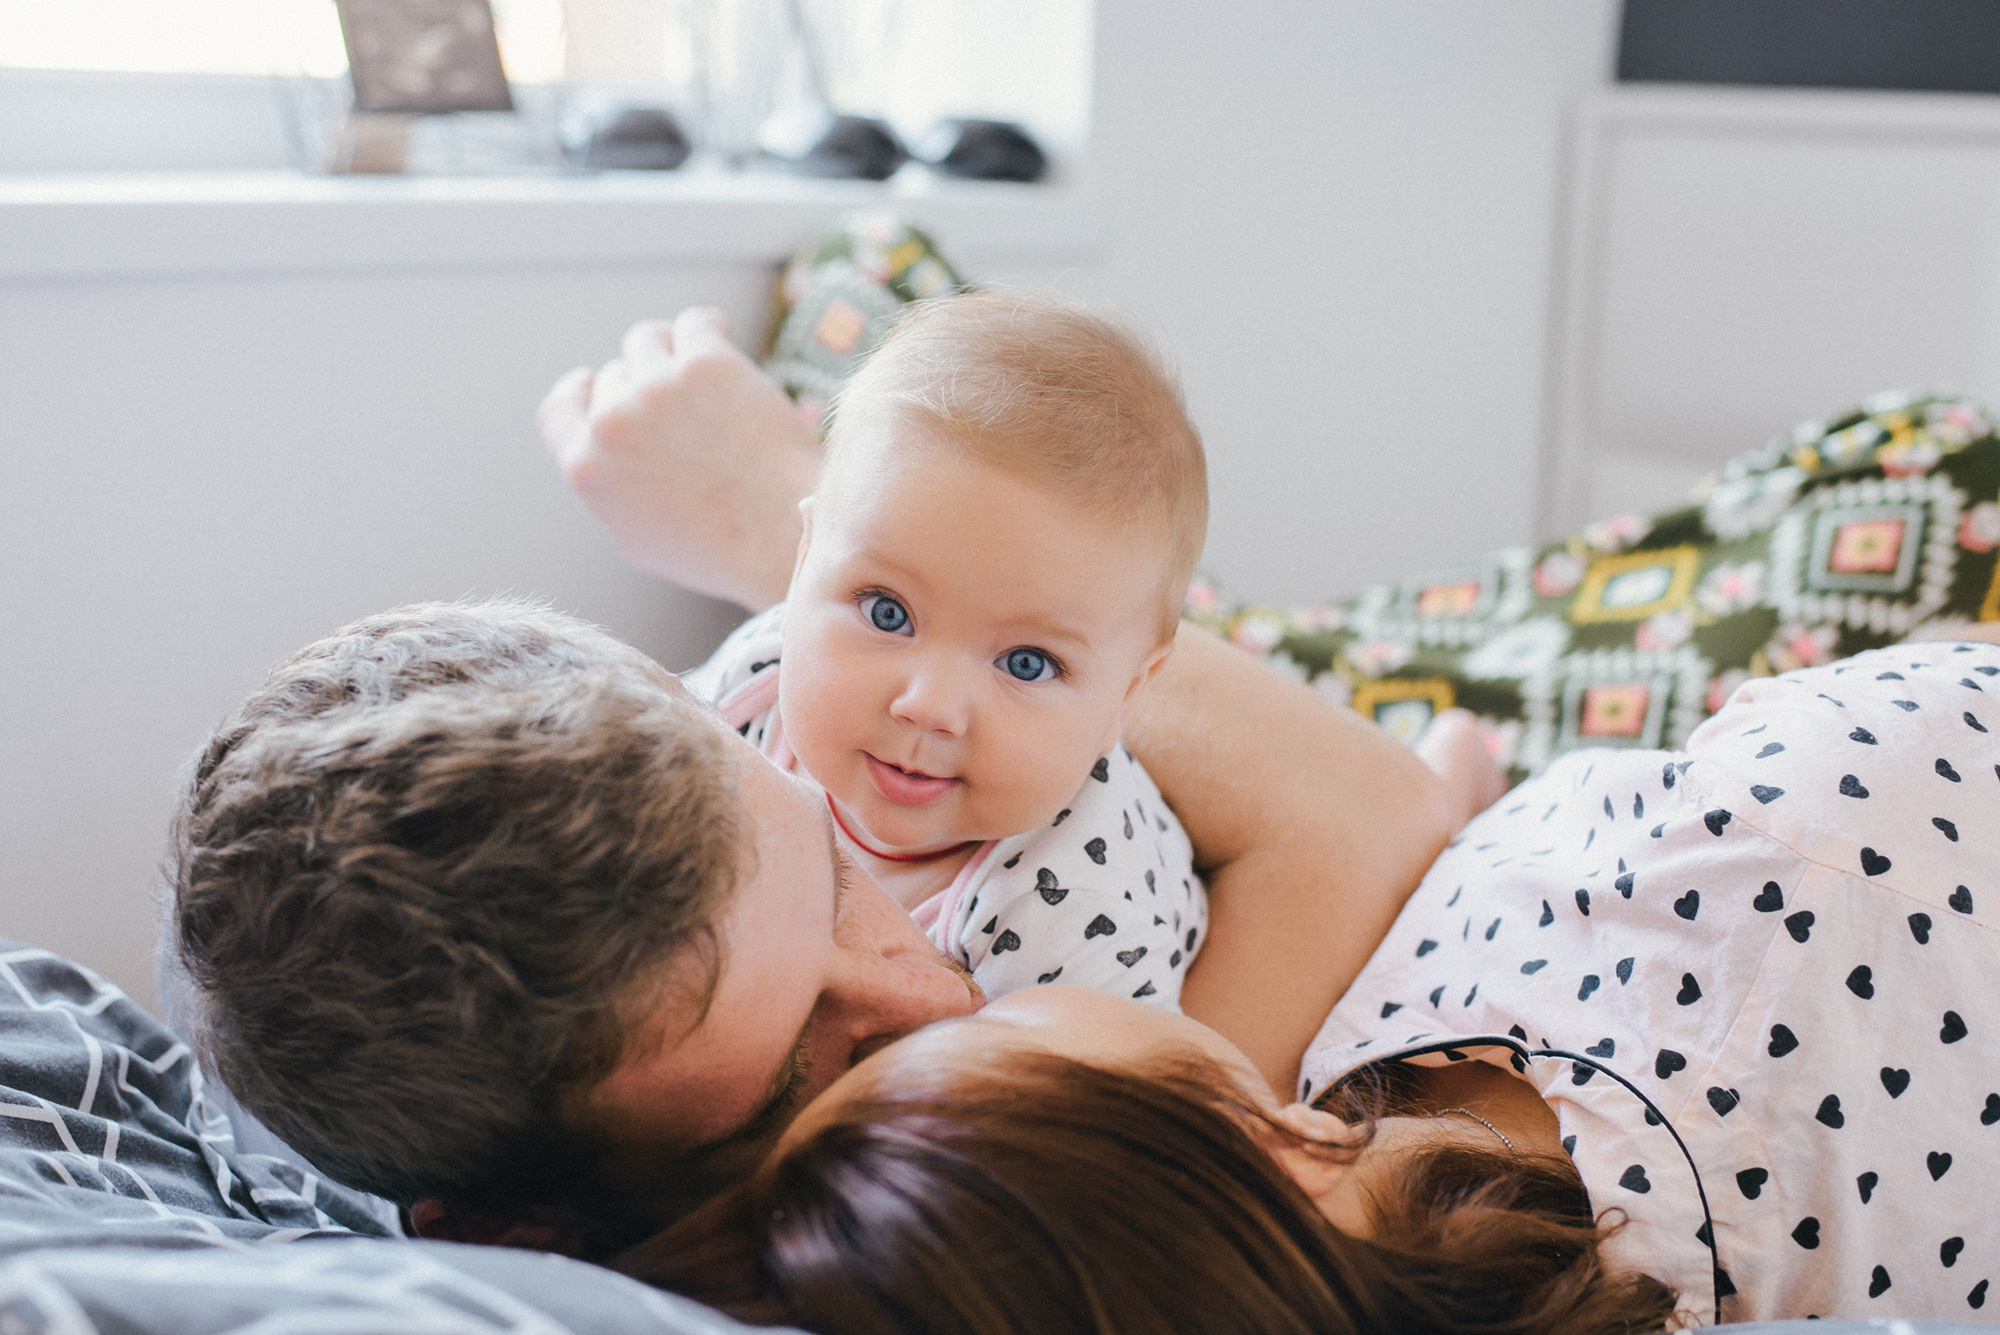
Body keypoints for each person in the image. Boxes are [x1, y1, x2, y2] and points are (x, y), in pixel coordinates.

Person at [613, 638, 2000, 1326]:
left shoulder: (1377, 1149)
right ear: (1248, 1150)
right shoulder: (1780, 858)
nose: (949, 984)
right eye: (1007, 1015)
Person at [172, 591, 1457, 1255]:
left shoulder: (765, 715)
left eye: (839, 873)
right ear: (533, 1234)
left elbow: (1370, 801)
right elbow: (1368, 811)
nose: (946, 997)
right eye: (822, 1062)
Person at [685, 291, 1210, 1009]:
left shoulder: (1069, 904)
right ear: (806, 563)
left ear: (1125, 693)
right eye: (887, 612)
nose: (929, 706)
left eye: (1026, 662)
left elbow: (1083, 1110)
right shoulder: (755, 682)